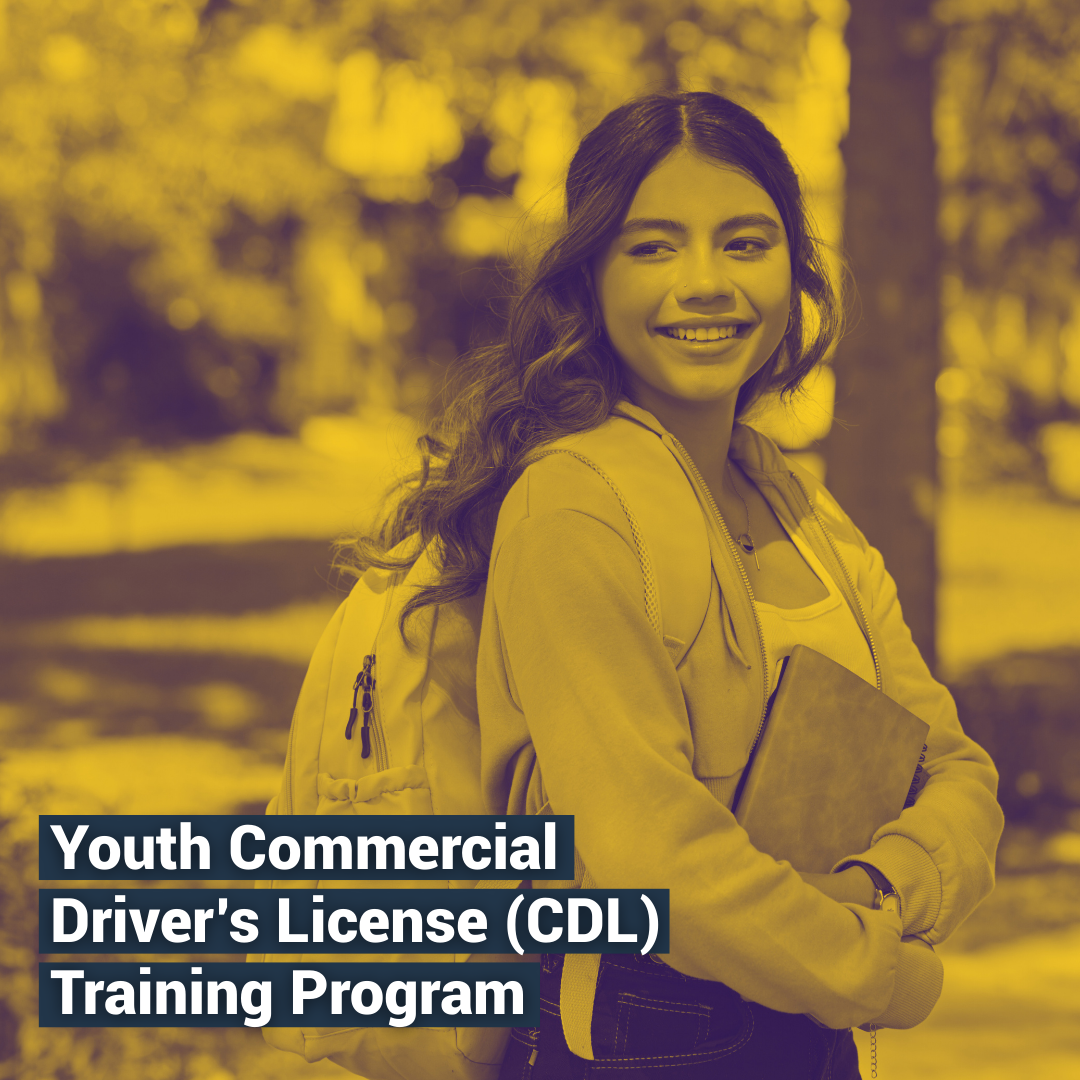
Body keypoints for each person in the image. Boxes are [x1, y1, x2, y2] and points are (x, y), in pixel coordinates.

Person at [353, 91, 1004, 1079]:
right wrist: (883, 973)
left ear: (795, 270)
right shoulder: (572, 504)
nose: (705, 284)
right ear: (588, 277)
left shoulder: (796, 503)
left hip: (807, 1032)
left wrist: (884, 882)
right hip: (643, 1042)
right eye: (652, 247)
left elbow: (954, 768)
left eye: (745, 243)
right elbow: (650, 862)